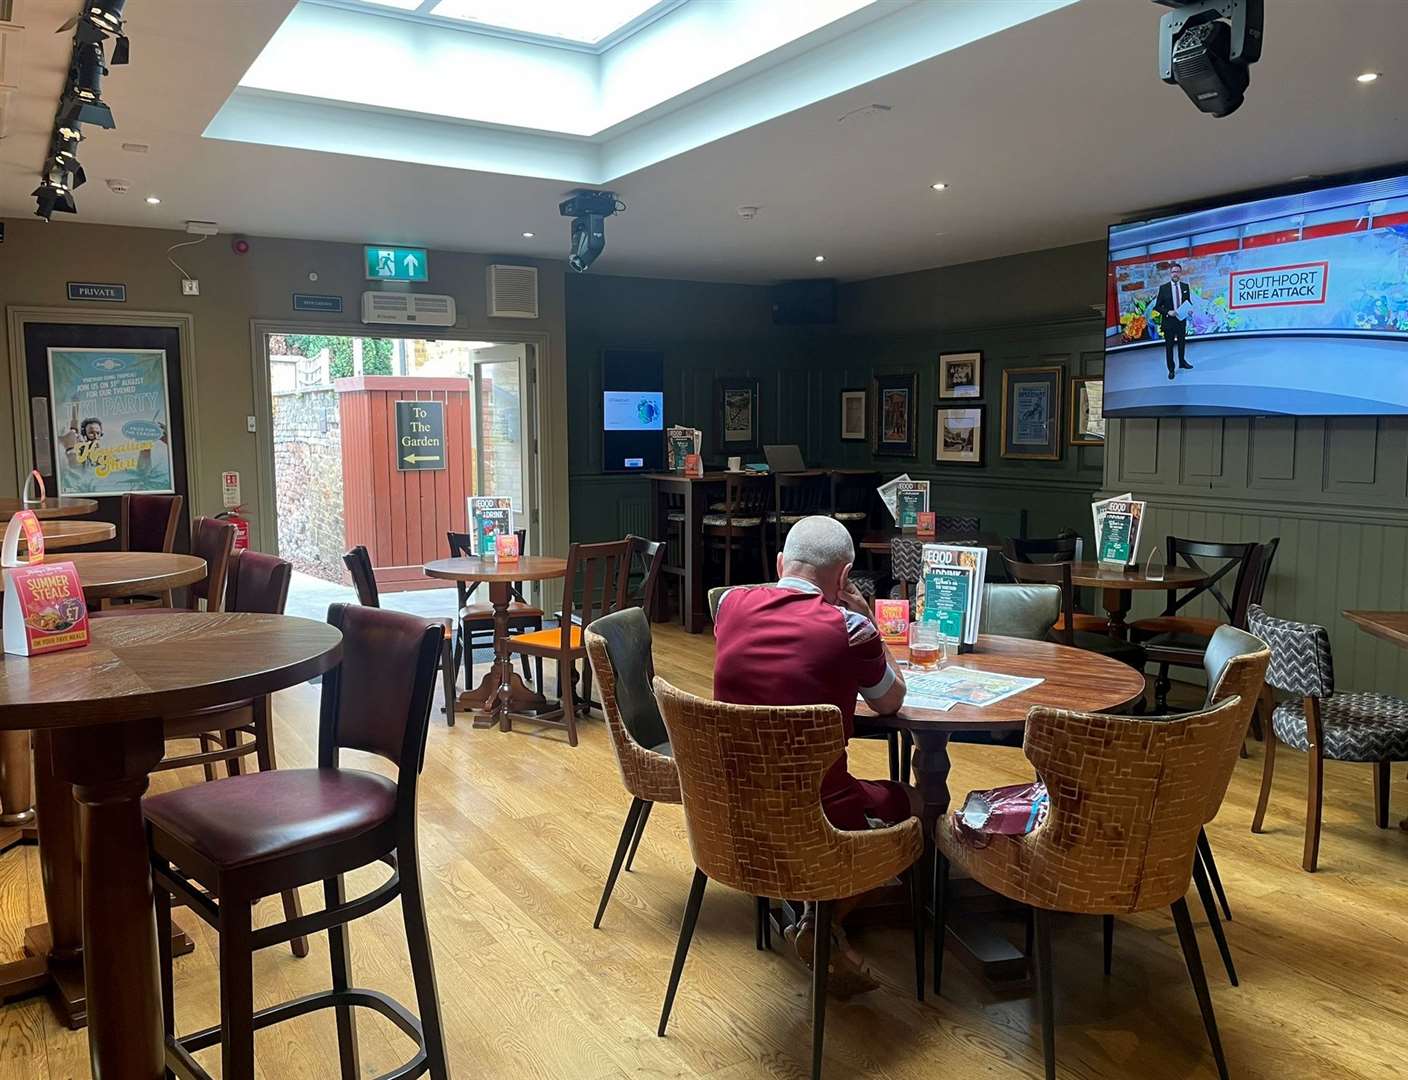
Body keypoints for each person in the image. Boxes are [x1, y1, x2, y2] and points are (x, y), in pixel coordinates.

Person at [712, 515, 916, 995]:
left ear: (780, 563)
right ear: (844, 578)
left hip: (732, 806)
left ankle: (813, 908)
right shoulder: (850, 628)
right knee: (920, 804)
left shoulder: (728, 607)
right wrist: (867, 620)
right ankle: (823, 918)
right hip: (820, 810)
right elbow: (890, 701)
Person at [1154, 262, 1193, 379]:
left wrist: (1189, 310)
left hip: (1181, 321)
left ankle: (1182, 362)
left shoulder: (1185, 287)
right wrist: (1167, 312)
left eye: (1177, 271)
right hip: (1169, 322)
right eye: (1173, 272)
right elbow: (1157, 306)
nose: (1175, 274)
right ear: (1170, 274)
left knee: (1182, 344)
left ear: (1180, 273)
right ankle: (1171, 369)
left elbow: (1188, 302)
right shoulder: (1163, 288)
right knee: (1169, 346)